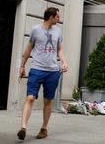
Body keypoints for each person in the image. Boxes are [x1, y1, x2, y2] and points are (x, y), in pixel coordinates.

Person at [17, 7, 68, 140]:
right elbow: (28, 48)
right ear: (51, 17)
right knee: (30, 98)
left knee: (48, 100)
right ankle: (23, 127)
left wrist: (64, 62)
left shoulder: (58, 31)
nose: (59, 19)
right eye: (57, 16)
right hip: (37, 69)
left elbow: (60, 49)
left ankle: (44, 128)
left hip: (52, 71)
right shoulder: (35, 30)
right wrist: (22, 66)